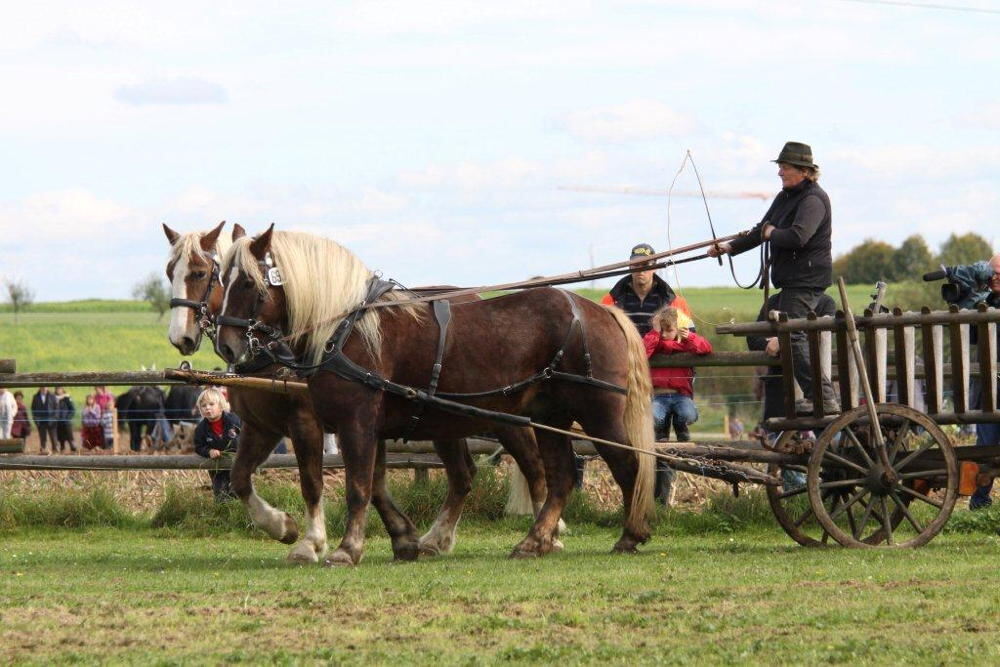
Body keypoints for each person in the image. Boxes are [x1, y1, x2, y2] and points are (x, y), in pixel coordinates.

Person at [708, 141, 838, 414]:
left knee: (792, 335)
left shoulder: (813, 200)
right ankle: (811, 396)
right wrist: (729, 247)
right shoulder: (785, 197)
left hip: (806, 280)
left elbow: (798, 237)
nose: (779, 172)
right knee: (768, 331)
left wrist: (770, 234)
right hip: (791, 282)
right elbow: (759, 230)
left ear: (804, 171)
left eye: (784, 167)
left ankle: (823, 397)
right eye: (780, 167)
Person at [643, 305, 713, 505]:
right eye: (662, 329)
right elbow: (643, 350)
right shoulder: (654, 344)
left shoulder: (687, 346)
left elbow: (706, 347)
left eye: (669, 330)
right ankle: (665, 436)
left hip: (681, 396)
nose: (665, 334)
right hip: (659, 396)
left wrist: (689, 336)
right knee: (655, 417)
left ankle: (681, 429)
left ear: (679, 329)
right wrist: (655, 333)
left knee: (687, 414)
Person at [948, 253, 1000, 509]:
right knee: (985, 446)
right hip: (989, 390)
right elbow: (968, 335)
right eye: (993, 272)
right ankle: (980, 502)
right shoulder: (982, 304)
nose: (996, 277)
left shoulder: (986, 305)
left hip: (992, 387)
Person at [602, 242, 693, 336]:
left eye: (645, 264)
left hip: (660, 351)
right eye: (636, 265)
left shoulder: (675, 303)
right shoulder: (610, 302)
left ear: (655, 267)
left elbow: (691, 335)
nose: (640, 270)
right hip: (625, 350)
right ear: (629, 267)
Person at [192, 388, 242, 502]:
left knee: (238, 491)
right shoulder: (201, 429)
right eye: (204, 405)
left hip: (237, 464)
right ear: (200, 409)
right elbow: (199, 447)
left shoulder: (234, 420)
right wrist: (209, 451)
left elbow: (247, 435)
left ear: (220, 405)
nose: (207, 408)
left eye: (211, 404)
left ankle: (240, 516)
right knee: (220, 494)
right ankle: (222, 514)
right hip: (217, 467)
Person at [31, 386, 58, 454]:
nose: (44, 388)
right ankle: (43, 451)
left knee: (53, 437)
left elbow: (57, 408)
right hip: (41, 421)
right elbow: (33, 409)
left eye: (45, 387)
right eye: (42, 387)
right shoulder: (36, 397)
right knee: (42, 438)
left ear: (48, 387)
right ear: (39, 388)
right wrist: (36, 419)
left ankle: (55, 451)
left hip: (51, 420)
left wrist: (55, 418)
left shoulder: (52, 396)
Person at [53, 387, 77, 453]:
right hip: (58, 421)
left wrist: (68, 418)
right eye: (57, 389)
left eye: (60, 388)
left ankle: (72, 447)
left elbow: (72, 409)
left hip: (66, 421)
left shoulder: (67, 398)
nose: (58, 390)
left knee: (69, 435)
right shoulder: (53, 398)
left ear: (62, 389)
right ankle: (62, 448)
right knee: (60, 437)